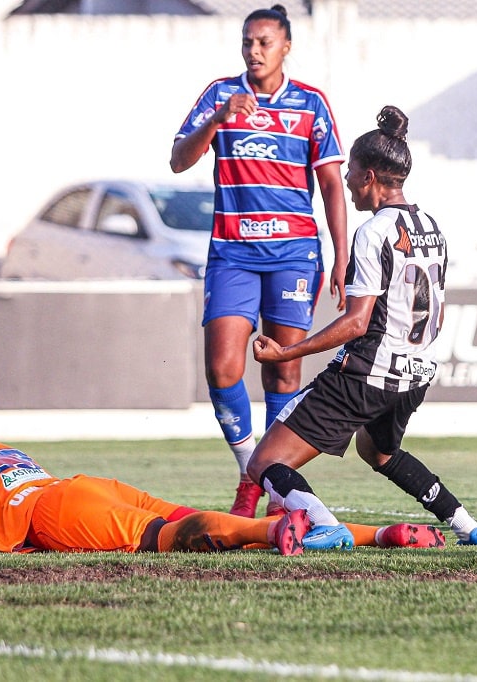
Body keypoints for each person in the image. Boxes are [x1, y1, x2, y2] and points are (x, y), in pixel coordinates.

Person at [244, 106, 477, 549]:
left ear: (370, 176)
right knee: (377, 452)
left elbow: (357, 322)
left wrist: (286, 353)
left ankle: (325, 524)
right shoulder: (430, 227)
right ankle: (468, 526)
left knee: (264, 461)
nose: (346, 181)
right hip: (416, 374)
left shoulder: (374, 231)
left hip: (368, 374)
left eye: (351, 172)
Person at [170, 4, 348, 519]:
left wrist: (341, 254)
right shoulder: (220, 95)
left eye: (265, 42)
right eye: (248, 41)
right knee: (222, 367)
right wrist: (220, 120)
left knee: (282, 376)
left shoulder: (311, 104)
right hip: (232, 252)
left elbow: (334, 184)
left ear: (286, 46)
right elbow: (179, 159)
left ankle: (271, 491)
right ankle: (254, 472)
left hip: (294, 254)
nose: (254, 50)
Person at [0, 442, 445, 555]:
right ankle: (382, 534)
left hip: (52, 514)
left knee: (172, 539)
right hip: (84, 486)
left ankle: (274, 529)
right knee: (193, 519)